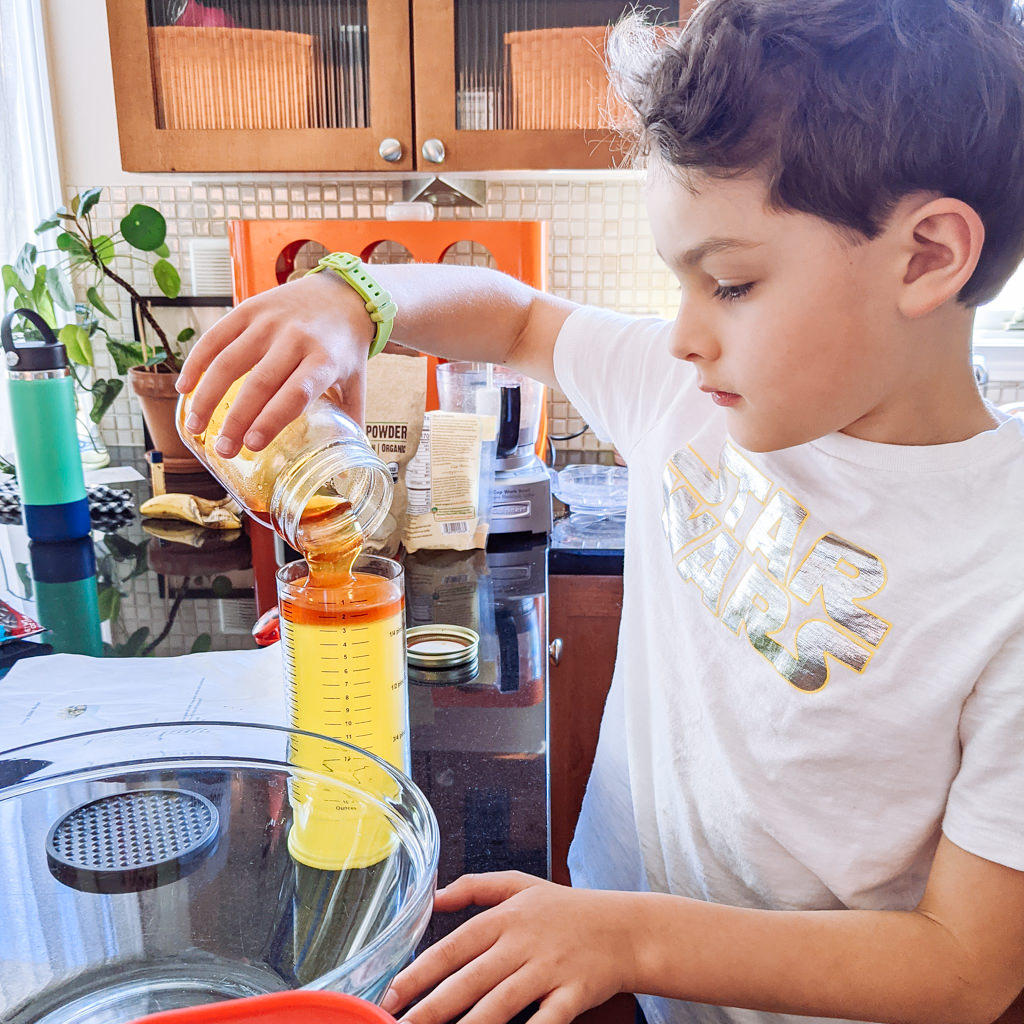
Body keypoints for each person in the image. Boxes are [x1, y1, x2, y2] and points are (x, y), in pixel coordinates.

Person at [177, 1, 1024, 1021]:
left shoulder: (1000, 561)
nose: (682, 335)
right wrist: (354, 301)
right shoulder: (692, 397)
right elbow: (519, 315)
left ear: (927, 255)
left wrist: (630, 934)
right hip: (619, 963)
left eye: (730, 281)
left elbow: (966, 966)